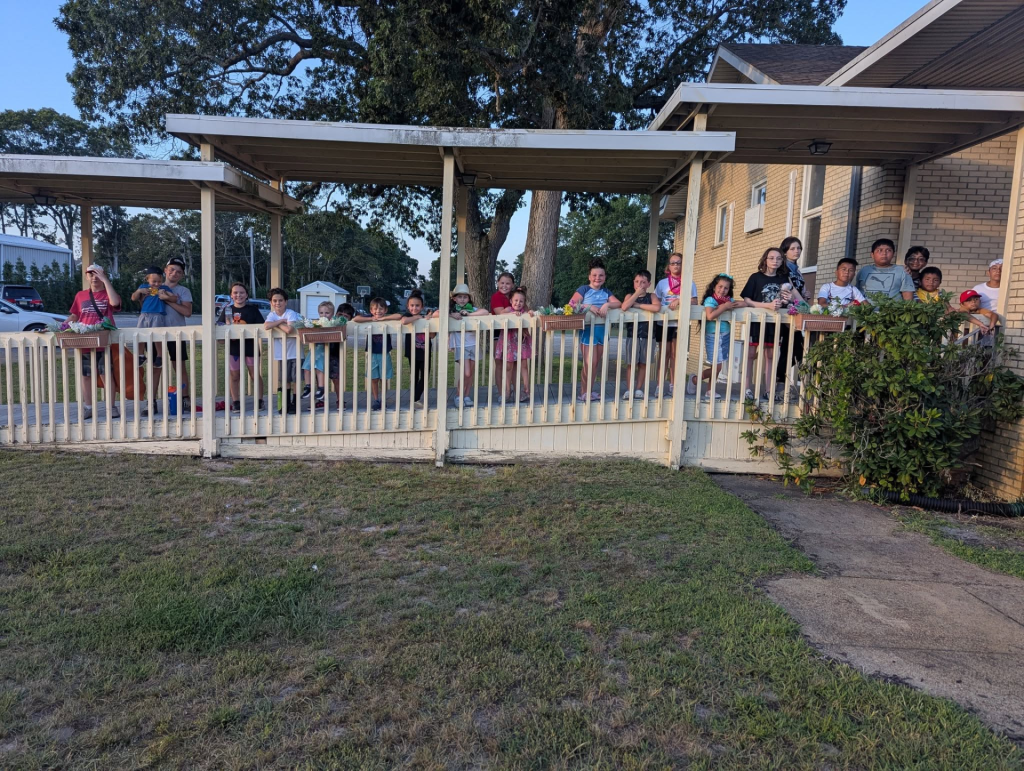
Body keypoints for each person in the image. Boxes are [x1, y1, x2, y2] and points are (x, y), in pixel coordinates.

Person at [741, 248, 803, 401]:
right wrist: (767, 305)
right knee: (750, 354)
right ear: (765, 260)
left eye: (779, 258)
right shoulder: (756, 277)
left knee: (770, 355)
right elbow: (747, 300)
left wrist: (788, 301)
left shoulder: (783, 279)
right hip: (756, 320)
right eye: (771, 258)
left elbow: (795, 300)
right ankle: (746, 388)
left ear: (782, 261)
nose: (775, 261)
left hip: (774, 323)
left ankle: (769, 390)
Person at [67, 264, 121, 420]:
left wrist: (106, 281)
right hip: (85, 341)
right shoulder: (80, 295)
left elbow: (115, 303)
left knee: (106, 374)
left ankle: (111, 407)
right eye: (91, 274)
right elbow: (74, 316)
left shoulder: (107, 293)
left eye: (97, 274)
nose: (94, 277)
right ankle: (88, 407)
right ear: (86, 277)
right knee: (86, 375)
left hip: (103, 341)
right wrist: (61, 327)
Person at [570, 260, 621, 402]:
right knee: (589, 363)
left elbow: (619, 303)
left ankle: (589, 391)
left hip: (603, 332)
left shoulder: (606, 292)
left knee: (595, 364)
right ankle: (583, 393)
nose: (597, 278)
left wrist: (607, 304)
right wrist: (588, 306)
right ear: (589, 276)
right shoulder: (584, 289)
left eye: (601, 275)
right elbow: (572, 304)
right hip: (588, 332)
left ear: (605, 277)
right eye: (594, 275)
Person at [693, 273, 745, 401]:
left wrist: (740, 303)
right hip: (712, 334)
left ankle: (710, 390)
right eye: (720, 286)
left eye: (726, 288)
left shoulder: (728, 300)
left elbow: (743, 304)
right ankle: (695, 379)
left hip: (725, 334)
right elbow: (710, 316)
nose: (722, 290)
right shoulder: (710, 300)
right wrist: (724, 307)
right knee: (717, 365)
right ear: (714, 287)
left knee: (719, 364)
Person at [654, 252, 698, 397]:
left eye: (678, 262)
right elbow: (656, 300)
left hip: (680, 323)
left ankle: (674, 385)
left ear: (683, 264)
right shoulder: (662, 283)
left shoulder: (689, 282)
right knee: (664, 354)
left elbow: (694, 301)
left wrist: (679, 300)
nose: (675, 265)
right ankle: (660, 385)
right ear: (669, 265)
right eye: (673, 263)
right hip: (664, 323)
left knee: (675, 355)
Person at [130, 266, 173, 415]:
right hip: (145, 314)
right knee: (141, 335)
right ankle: (141, 354)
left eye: (158, 281)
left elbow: (174, 298)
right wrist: (139, 292)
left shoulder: (164, 288)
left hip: (158, 315)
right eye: (154, 281)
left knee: (157, 337)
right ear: (147, 280)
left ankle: (160, 356)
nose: (156, 284)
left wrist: (165, 295)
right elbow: (133, 298)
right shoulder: (143, 288)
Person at [217, 282, 265, 413]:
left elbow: (262, 328)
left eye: (241, 292)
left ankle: (260, 400)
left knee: (254, 374)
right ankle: (236, 402)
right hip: (234, 348)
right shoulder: (227, 310)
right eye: (235, 292)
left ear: (247, 294)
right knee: (234, 376)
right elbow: (219, 328)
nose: (238, 295)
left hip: (250, 347)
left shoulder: (253, 310)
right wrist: (225, 334)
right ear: (231, 295)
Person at [441, 283, 489, 407]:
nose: (462, 299)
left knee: (470, 373)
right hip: (461, 345)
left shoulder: (471, 309)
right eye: (460, 297)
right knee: (466, 372)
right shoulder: (451, 310)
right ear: (454, 298)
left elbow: (485, 312)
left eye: (465, 297)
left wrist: (469, 315)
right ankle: (458, 395)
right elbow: (437, 313)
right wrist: (451, 315)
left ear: (469, 299)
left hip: (473, 343)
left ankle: (466, 395)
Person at [352, 297, 401, 411]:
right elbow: (356, 318)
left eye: (380, 308)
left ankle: (383, 399)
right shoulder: (370, 318)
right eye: (375, 309)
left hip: (385, 354)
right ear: (371, 310)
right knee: (374, 378)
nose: (378, 311)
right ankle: (376, 399)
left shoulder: (387, 319)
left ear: (385, 310)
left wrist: (383, 318)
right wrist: (372, 319)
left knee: (383, 378)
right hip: (372, 353)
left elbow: (398, 316)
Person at [157, 257, 193, 411]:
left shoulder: (183, 291)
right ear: (165, 270)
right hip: (156, 333)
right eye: (171, 269)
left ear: (182, 275)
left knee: (179, 366)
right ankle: (151, 401)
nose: (174, 273)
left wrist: (168, 300)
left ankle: (185, 398)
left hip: (177, 333)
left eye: (178, 272)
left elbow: (187, 312)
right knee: (155, 366)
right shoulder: (153, 287)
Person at [619, 269, 661, 400]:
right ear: (633, 283)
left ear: (648, 284)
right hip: (633, 335)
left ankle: (638, 389)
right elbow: (625, 306)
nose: (640, 285)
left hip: (649, 335)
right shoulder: (629, 296)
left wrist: (638, 305)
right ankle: (629, 389)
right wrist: (636, 294)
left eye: (643, 282)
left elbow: (656, 308)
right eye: (637, 282)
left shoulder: (651, 296)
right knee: (632, 363)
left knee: (643, 363)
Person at [498, 288, 534, 403]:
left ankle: (526, 388)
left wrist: (530, 314)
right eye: (516, 300)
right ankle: (507, 390)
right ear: (511, 301)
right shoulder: (508, 309)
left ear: (524, 302)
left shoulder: (525, 311)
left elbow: (531, 315)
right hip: (509, 339)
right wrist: (512, 314)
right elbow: (500, 314)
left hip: (521, 340)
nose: (518, 303)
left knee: (524, 364)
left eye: (521, 301)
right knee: (509, 366)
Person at [301, 300, 335, 405]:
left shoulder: (332, 323)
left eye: (327, 313)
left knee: (319, 368)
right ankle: (308, 387)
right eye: (321, 313)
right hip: (314, 348)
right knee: (306, 368)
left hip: (323, 349)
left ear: (332, 314)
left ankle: (321, 388)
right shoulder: (316, 323)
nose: (323, 315)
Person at [401, 290, 430, 408]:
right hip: (412, 352)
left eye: (417, 305)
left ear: (422, 306)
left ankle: (415, 398)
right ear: (408, 306)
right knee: (414, 375)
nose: (414, 308)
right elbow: (404, 321)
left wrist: (425, 318)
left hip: (425, 351)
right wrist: (418, 317)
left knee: (425, 376)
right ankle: (415, 399)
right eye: (412, 305)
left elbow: (432, 335)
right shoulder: (408, 316)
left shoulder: (425, 318)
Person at [489, 271, 516, 391]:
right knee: (499, 362)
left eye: (508, 283)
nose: (504, 286)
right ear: (497, 283)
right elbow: (500, 313)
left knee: (513, 363)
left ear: (513, 285)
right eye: (502, 283)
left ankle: (513, 390)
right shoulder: (496, 297)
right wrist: (513, 310)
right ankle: (501, 392)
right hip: (498, 332)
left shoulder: (514, 297)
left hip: (512, 332)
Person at [328, 303, 356, 407]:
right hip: (323, 352)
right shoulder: (330, 321)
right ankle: (320, 400)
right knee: (319, 377)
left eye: (346, 316)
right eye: (340, 314)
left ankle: (339, 399)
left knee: (336, 378)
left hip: (335, 352)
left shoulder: (347, 325)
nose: (342, 318)